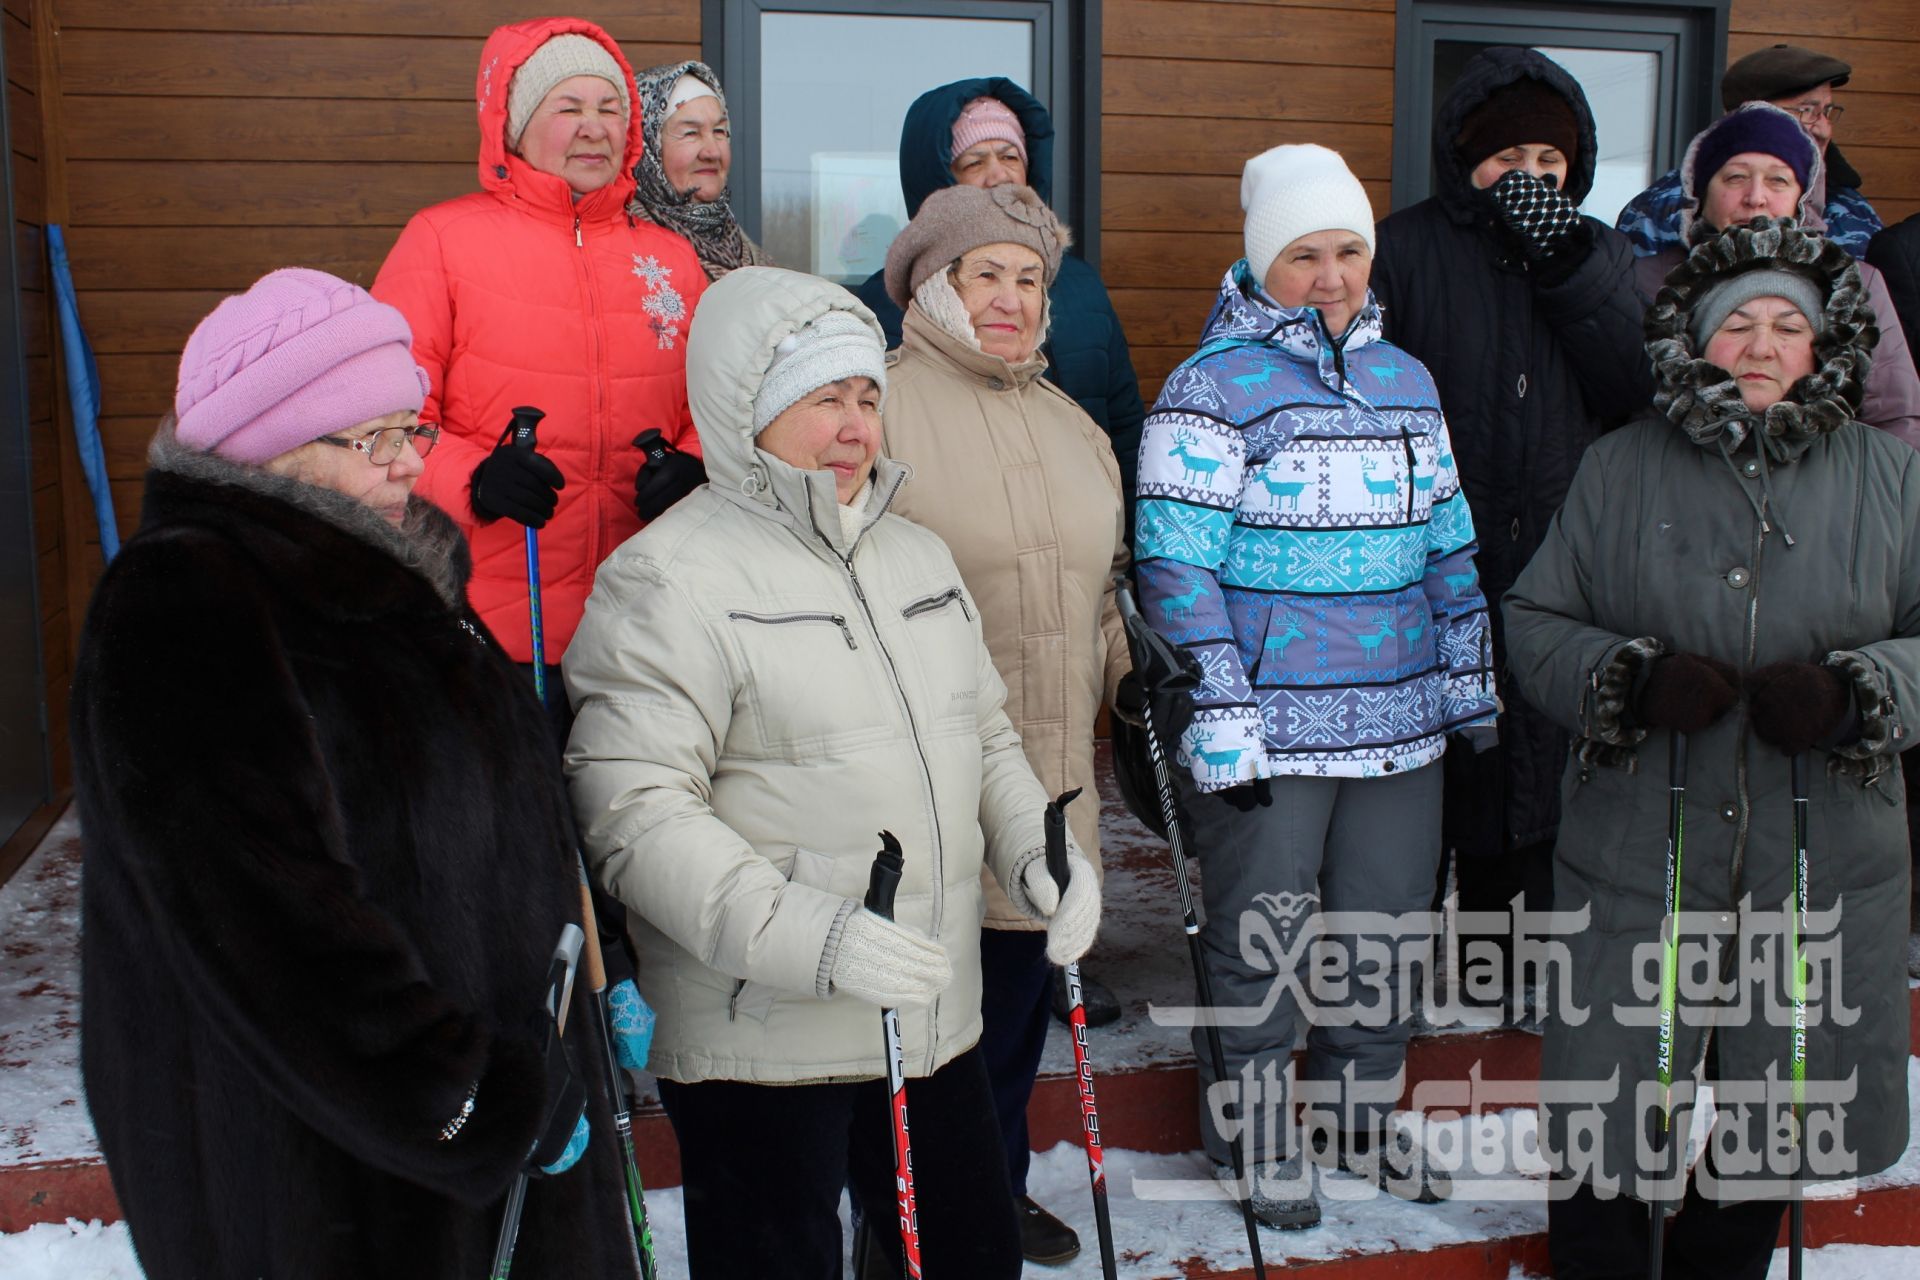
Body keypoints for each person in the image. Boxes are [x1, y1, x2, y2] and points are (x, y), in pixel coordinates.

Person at [69, 269, 626, 1278]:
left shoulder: (397, 582)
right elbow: (267, 928)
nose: (410, 462)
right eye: (373, 437)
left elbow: (504, 818)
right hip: (320, 1174)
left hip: (472, 1138)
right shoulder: (187, 602)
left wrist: (595, 984)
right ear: (269, 446)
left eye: (412, 428)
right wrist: (466, 1099)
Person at [562, 266, 1101, 1279]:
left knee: (968, 1254)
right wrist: (819, 936)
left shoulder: (918, 558)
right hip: (761, 1029)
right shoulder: (668, 578)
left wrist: (1040, 851)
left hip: (924, 1008)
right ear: (747, 411)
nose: (855, 428)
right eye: (822, 401)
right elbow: (635, 814)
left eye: (866, 398)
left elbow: (984, 738)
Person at [1504, 215, 1916, 1280]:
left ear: (1824, 347)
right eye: (1742, 325)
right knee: (1611, 1102)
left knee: (1775, 1106)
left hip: (1819, 859)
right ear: (1699, 339)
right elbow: (1537, 619)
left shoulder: (1893, 478)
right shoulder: (1619, 467)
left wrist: (1857, 692)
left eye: (1790, 326)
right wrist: (1629, 678)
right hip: (1645, 849)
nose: (1766, 345)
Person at [1134, 144, 1498, 1228]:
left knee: (1384, 933)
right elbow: (1173, 563)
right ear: (1261, 261)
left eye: (1349, 250)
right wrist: (1222, 710)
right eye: (1304, 254)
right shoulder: (1210, 387)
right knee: (1265, 936)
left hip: (1400, 720)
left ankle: (1354, 1110)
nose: (1331, 275)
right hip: (1274, 730)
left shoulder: (1407, 380)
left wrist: (1466, 682)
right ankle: (1253, 1130)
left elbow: (1448, 545)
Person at [1372, 46, 1653, 1028]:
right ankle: (1418, 971)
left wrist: (1569, 265)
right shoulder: (1403, 249)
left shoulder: (1600, 254)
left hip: (1562, 566)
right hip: (1431, 565)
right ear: (1463, 157)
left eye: (1547, 153)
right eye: (1504, 155)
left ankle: (1522, 971)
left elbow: (1642, 384)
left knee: (1542, 775)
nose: (1525, 172)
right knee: (1447, 780)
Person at [878, 181, 1131, 1265]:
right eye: (987, 275)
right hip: (928, 789)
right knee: (936, 1034)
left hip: (1055, 782)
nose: (1012, 299)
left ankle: (994, 1186)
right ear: (933, 286)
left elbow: (1104, 592)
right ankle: (910, 1224)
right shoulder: (878, 410)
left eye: (1031, 279)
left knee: (1020, 1017)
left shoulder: (1071, 423)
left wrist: (1135, 673)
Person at [374, 17, 707, 722]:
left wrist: (694, 468)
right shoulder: (442, 240)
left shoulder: (671, 259)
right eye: (569, 107)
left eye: (610, 108)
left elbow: (718, 407)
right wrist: (473, 479)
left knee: (635, 824)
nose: (594, 127)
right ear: (516, 126)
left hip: (647, 620)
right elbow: (383, 419)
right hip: (493, 623)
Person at [852, 78, 1146, 526]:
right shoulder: (886, 303)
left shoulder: (1083, 285)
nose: (999, 174)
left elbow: (1124, 427)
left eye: (1011, 157)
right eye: (974, 161)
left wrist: (1127, 547)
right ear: (936, 178)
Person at [1633, 102, 1920, 449]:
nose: (1756, 198)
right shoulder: (1647, 283)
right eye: (1735, 177)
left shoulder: (1854, 283)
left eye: (1778, 180)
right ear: (1702, 191)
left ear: (1803, 197)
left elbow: (1894, 417)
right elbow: (1627, 410)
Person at [1617, 43, 1882, 259]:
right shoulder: (1663, 209)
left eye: (1826, 111)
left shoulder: (1853, 207)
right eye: (1806, 111)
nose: (1823, 128)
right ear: (1749, 117)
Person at [629, 59, 771, 280]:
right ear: (649, 149)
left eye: (719, 131)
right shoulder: (626, 254)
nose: (712, 152)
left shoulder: (755, 260)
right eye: (691, 133)